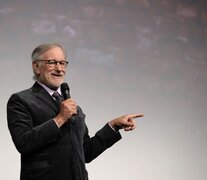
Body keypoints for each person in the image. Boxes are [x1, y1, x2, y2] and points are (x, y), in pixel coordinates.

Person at [7, 42, 144, 180]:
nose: (59, 68)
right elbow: (24, 143)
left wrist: (113, 126)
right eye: (52, 62)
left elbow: (86, 152)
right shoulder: (21, 100)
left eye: (62, 63)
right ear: (36, 67)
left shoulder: (72, 107)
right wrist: (60, 118)